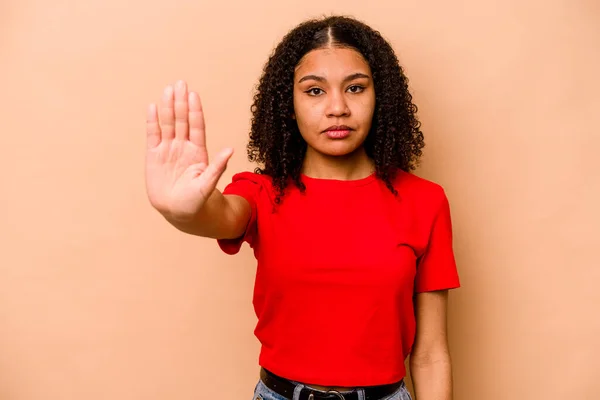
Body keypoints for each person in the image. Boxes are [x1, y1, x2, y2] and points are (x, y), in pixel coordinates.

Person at [145, 15, 460, 400]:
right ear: (287, 104)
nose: (338, 107)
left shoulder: (424, 200)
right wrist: (182, 211)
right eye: (314, 91)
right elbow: (221, 214)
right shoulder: (261, 192)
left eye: (356, 88)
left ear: (381, 97)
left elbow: (430, 356)